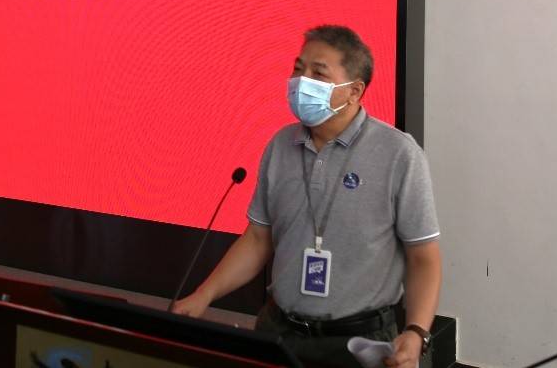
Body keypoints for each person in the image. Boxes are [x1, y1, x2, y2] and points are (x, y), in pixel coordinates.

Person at [172, 24, 441, 368]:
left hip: (359, 343)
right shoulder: (281, 145)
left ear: (354, 91)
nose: (302, 81)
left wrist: (417, 332)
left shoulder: (399, 154)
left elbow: (423, 257)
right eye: (298, 69)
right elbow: (257, 239)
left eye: (318, 73)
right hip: (279, 332)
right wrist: (203, 295)